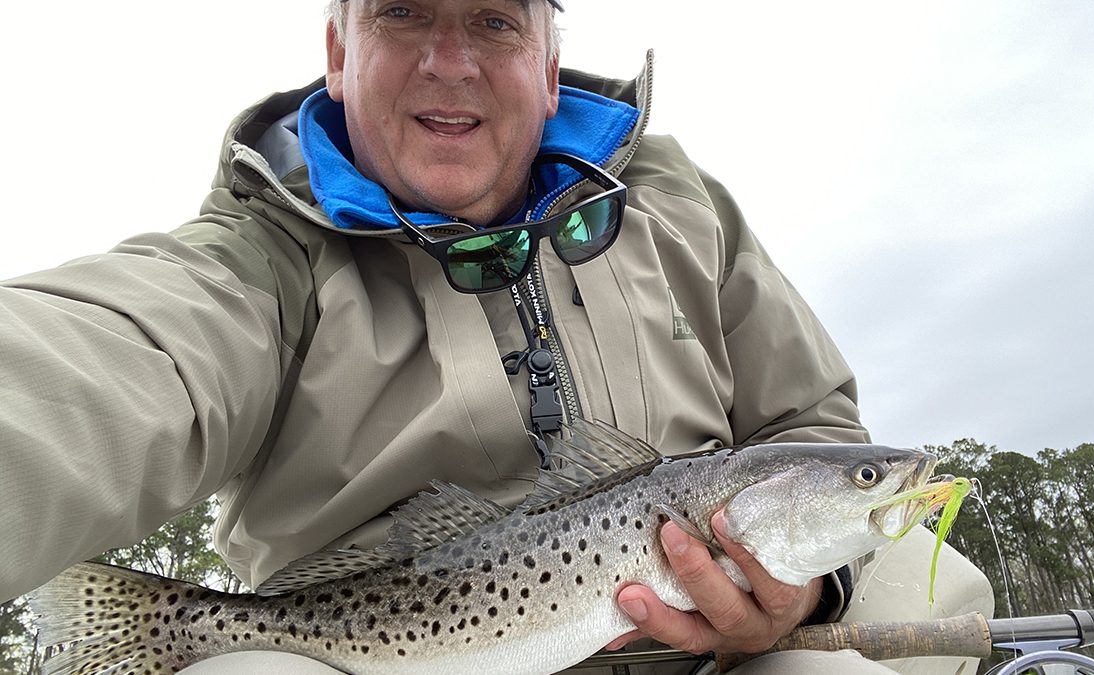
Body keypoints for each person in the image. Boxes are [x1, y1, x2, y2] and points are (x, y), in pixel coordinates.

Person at [0, 1, 991, 673]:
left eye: (492, 19)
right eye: (404, 12)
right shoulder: (258, 257)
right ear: (338, 53)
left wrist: (818, 587)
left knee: (939, 582)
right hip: (364, 640)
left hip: (717, 653)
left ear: (548, 63)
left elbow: (811, 419)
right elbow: (102, 357)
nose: (450, 60)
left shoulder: (680, 204)